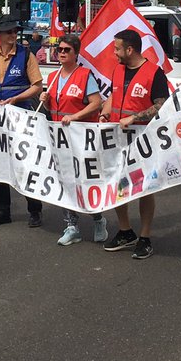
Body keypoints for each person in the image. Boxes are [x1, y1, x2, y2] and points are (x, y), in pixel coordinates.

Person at [99, 28, 169, 260]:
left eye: (117, 48)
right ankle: (125, 230)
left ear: (130, 49)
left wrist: (135, 117)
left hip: (142, 140)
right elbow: (113, 95)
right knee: (119, 183)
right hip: (118, 139)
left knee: (143, 187)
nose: (114, 52)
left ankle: (145, 236)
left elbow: (162, 105)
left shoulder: (153, 73)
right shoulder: (118, 70)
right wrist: (105, 113)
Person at [0, 18, 44, 228]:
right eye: (8, 32)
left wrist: (16, 98)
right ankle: (2, 211)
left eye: (14, 31)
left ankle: (34, 210)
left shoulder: (25, 55)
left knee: (26, 162)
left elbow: (37, 86)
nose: (13, 35)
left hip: (21, 115)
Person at [42, 33, 106, 245]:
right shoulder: (52, 78)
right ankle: (71, 225)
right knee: (65, 180)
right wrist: (45, 99)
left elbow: (96, 103)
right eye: (59, 49)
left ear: (76, 53)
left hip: (82, 136)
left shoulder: (84, 75)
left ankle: (98, 219)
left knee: (86, 179)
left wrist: (75, 117)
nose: (61, 53)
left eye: (66, 50)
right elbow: (53, 107)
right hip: (60, 137)